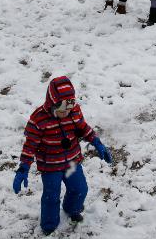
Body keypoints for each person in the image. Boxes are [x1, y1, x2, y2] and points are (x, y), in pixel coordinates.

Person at [12, 76, 113, 235]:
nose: (66, 113)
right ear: (52, 104)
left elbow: (83, 128)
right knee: (51, 196)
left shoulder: (74, 111)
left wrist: (96, 142)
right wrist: (23, 168)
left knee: (80, 188)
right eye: (61, 110)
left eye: (68, 108)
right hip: (50, 166)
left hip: (72, 161)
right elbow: (30, 145)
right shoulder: (38, 120)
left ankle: (72, 208)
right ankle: (49, 224)